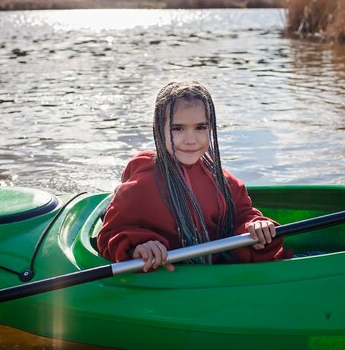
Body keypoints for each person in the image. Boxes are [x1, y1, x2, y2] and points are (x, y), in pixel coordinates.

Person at [97, 81, 291, 272]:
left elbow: (242, 215)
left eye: (200, 127)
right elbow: (110, 234)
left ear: (211, 128)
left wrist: (255, 226)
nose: (191, 139)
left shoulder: (225, 182)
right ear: (159, 129)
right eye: (178, 128)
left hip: (216, 278)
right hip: (167, 280)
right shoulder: (140, 187)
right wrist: (137, 246)